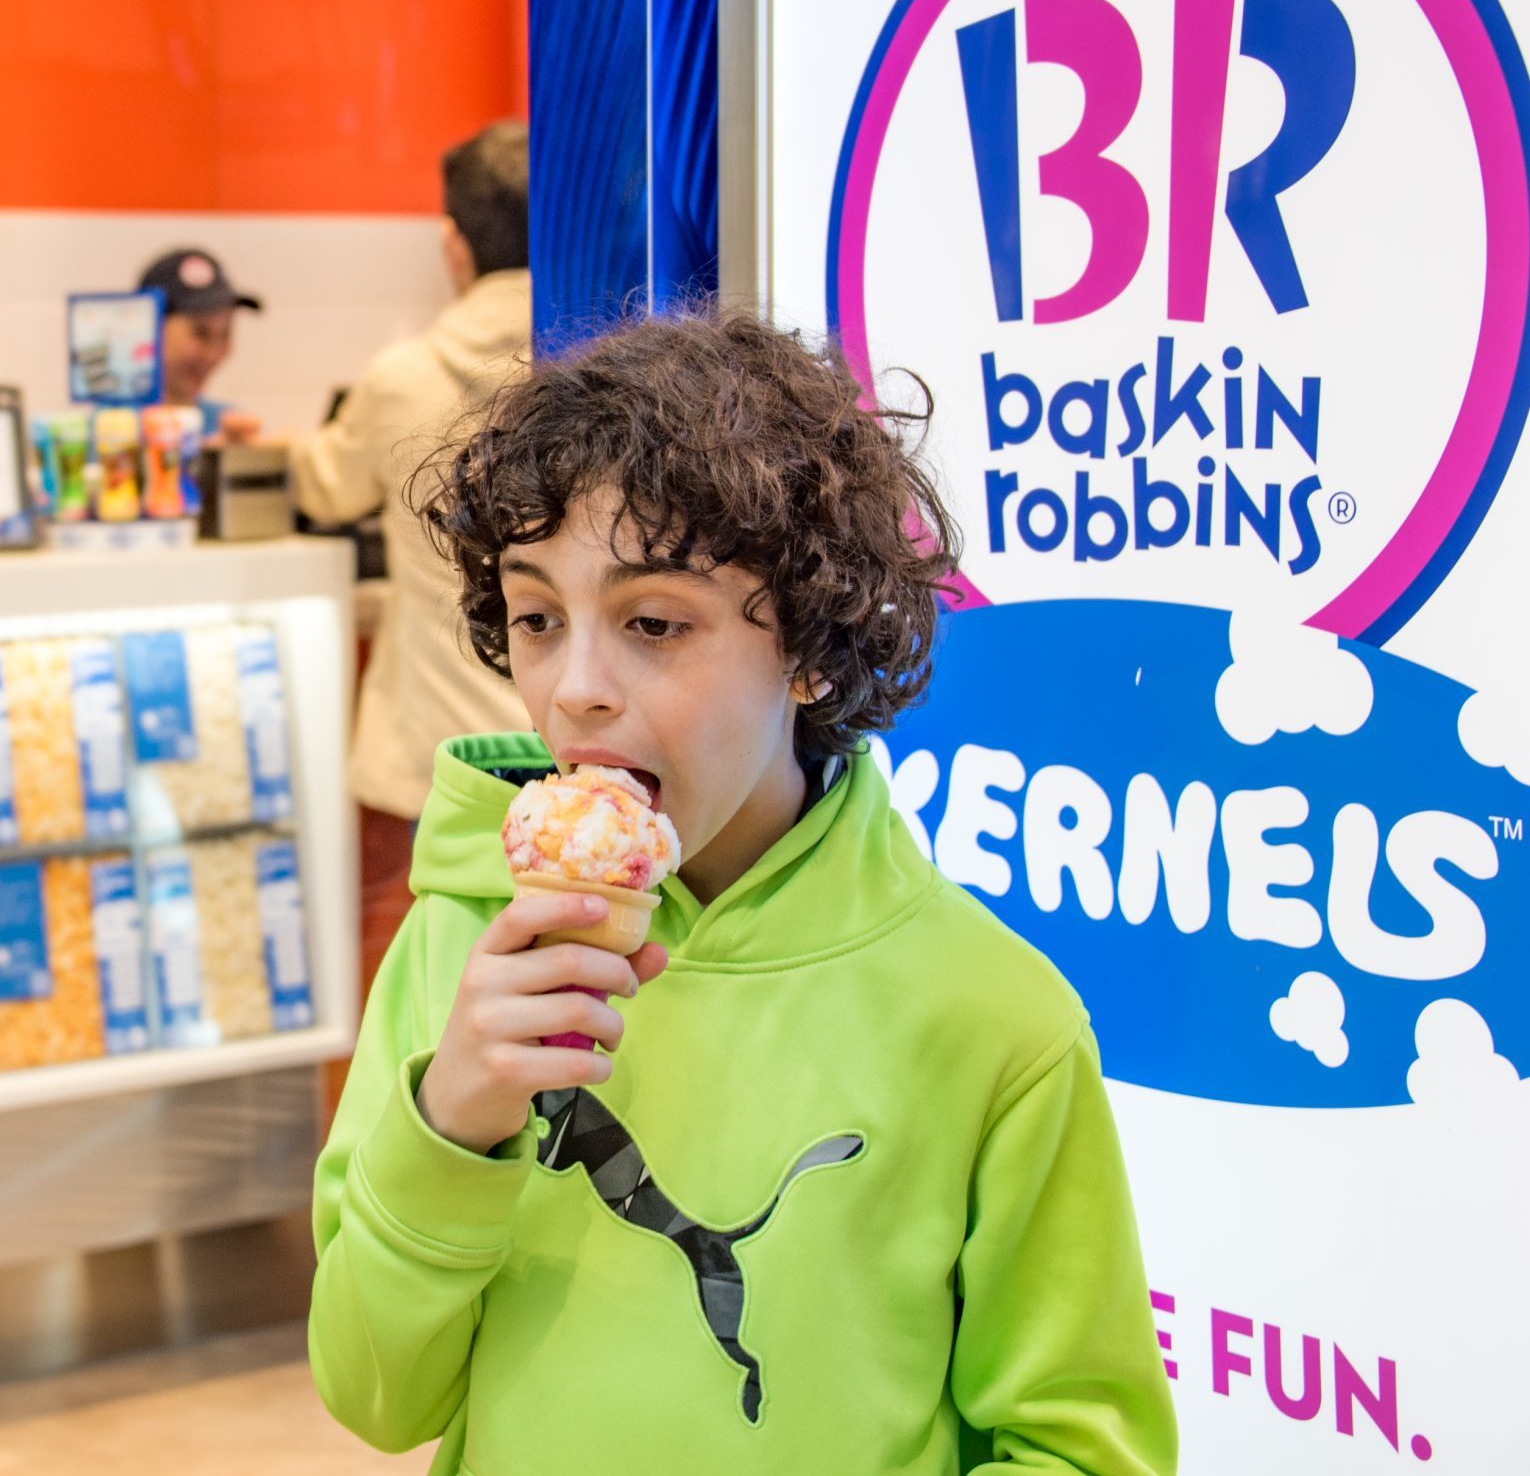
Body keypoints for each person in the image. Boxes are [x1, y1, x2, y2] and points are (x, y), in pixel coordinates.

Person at [308, 309, 1177, 1474]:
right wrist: (452, 1120)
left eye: (654, 622)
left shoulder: (993, 1017)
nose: (573, 690)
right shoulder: (462, 944)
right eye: (534, 618)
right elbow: (374, 1394)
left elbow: (1084, 1445)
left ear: (814, 644)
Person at [285, 119, 535, 958]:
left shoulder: (401, 377)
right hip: (576, 753)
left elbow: (324, 484)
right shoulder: (602, 368)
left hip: (430, 763)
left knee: (413, 979)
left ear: (454, 246)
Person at [136, 247, 263, 439]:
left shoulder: (227, 423)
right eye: (200, 333)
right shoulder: (106, 433)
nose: (213, 353)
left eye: (225, 334)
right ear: (150, 328)